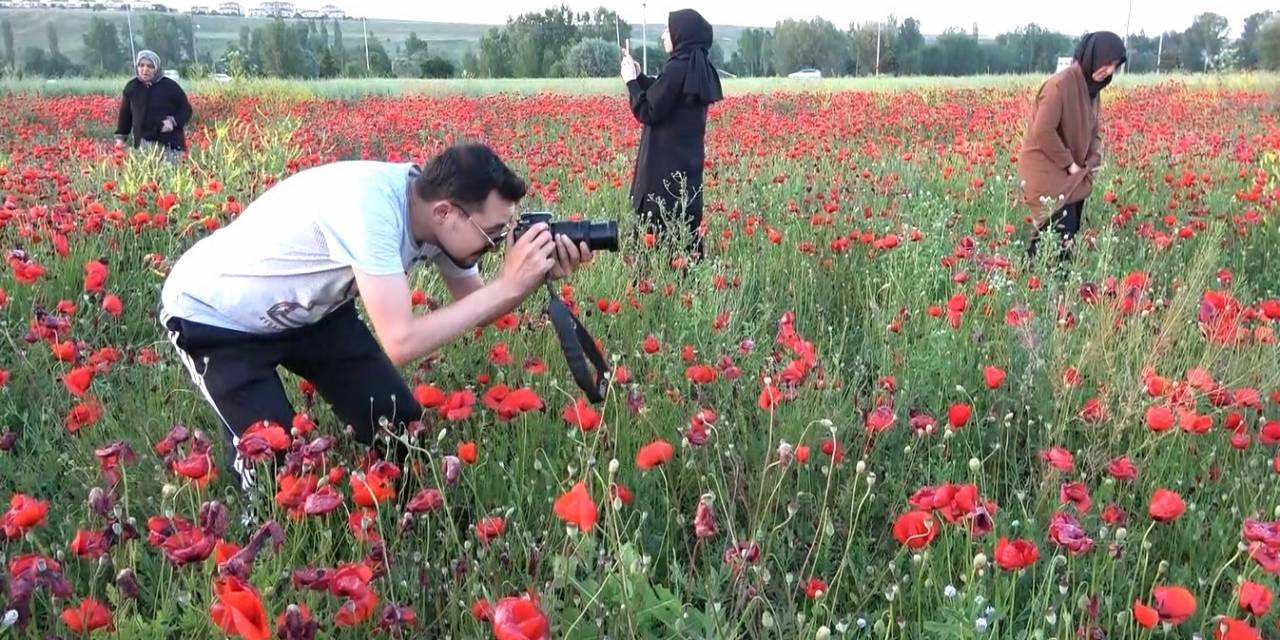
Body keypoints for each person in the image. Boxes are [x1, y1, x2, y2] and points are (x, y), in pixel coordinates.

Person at [158, 143, 593, 491]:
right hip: (218, 317)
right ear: (446, 212)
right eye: (492, 234)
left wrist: (531, 276)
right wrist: (510, 284)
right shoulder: (370, 208)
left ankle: (406, 521)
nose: (496, 246)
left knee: (396, 423)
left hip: (312, 311)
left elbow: (477, 305)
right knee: (272, 461)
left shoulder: (436, 216)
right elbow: (400, 342)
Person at [621, 8, 723, 260]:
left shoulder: (677, 68)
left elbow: (648, 109)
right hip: (685, 180)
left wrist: (631, 82)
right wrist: (640, 77)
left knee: (653, 256)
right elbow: (666, 94)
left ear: (681, 34)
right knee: (683, 253)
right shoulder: (697, 66)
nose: (663, 34)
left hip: (661, 182)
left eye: (668, 29)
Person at [1018, 31, 1127, 265]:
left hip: (1074, 173)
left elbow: (1093, 131)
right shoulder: (1058, 86)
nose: (1108, 71)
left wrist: (1092, 160)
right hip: (1047, 170)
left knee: (1063, 238)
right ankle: (1039, 288)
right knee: (1057, 238)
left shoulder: (1092, 91)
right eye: (1106, 63)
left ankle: (1041, 287)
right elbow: (1043, 131)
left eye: (1114, 67)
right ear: (1092, 57)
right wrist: (1070, 164)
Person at [114, 50, 193, 162]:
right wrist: (120, 139)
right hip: (143, 144)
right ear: (137, 67)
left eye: (150, 66)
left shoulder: (170, 87)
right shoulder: (132, 87)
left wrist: (173, 121)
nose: (145, 69)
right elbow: (125, 116)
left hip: (169, 144)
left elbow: (186, 110)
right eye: (141, 65)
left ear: (156, 68)